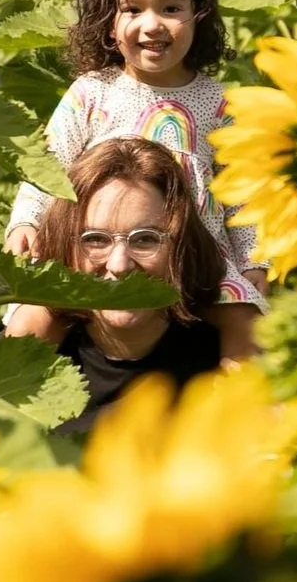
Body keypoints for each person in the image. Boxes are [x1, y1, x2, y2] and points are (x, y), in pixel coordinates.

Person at [3, 0, 267, 362]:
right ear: (109, 21)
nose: (151, 25)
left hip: (197, 259)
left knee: (243, 320)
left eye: (170, 8)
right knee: (36, 315)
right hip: (99, 255)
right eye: (132, 9)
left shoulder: (218, 102)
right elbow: (47, 164)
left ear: (198, 15)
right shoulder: (93, 92)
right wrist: (25, 223)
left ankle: (245, 408)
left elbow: (243, 191)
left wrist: (255, 261)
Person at [12, 137, 228, 436]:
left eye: (145, 239)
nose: (119, 264)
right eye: (95, 239)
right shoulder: (26, 352)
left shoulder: (227, 362)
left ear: (180, 246)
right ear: (66, 246)